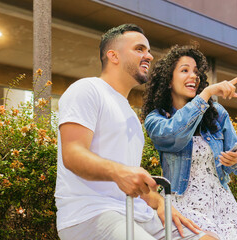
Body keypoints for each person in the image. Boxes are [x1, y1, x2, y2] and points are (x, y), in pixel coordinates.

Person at [55, 24, 218, 240]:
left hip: (138, 213)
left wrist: (159, 202)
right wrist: (117, 172)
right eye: (139, 49)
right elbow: (73, 154)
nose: (149, 56)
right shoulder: (87, 89)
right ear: (113, 56)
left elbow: (131, 179)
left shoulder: (131, 114)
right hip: (91, 213)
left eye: (148, 51)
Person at [143, 45, 237, 240]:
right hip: (182, 204)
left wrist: (236, 160)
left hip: (223, 205)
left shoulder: (218, 114)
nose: (193, 76)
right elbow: (175, 137)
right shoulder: (156, 119)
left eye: (196, 72)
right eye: (184, 70)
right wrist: (206, 95)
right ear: (168, 81)